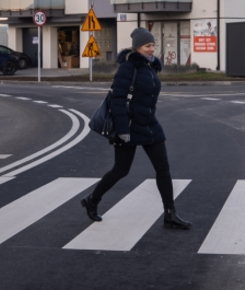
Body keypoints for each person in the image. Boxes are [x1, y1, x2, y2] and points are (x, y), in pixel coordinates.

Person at [81, 28, 192, 229]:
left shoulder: (150, 67)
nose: (152, 49)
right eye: (147, 46)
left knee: (163, 169)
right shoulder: (128, 68)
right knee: (121, 170)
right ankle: (92, 200)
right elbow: (117, 100)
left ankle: (170, 214)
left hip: (149, 125)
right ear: (137, 47)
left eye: (153, 45)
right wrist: (122, 129)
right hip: (129, 127)